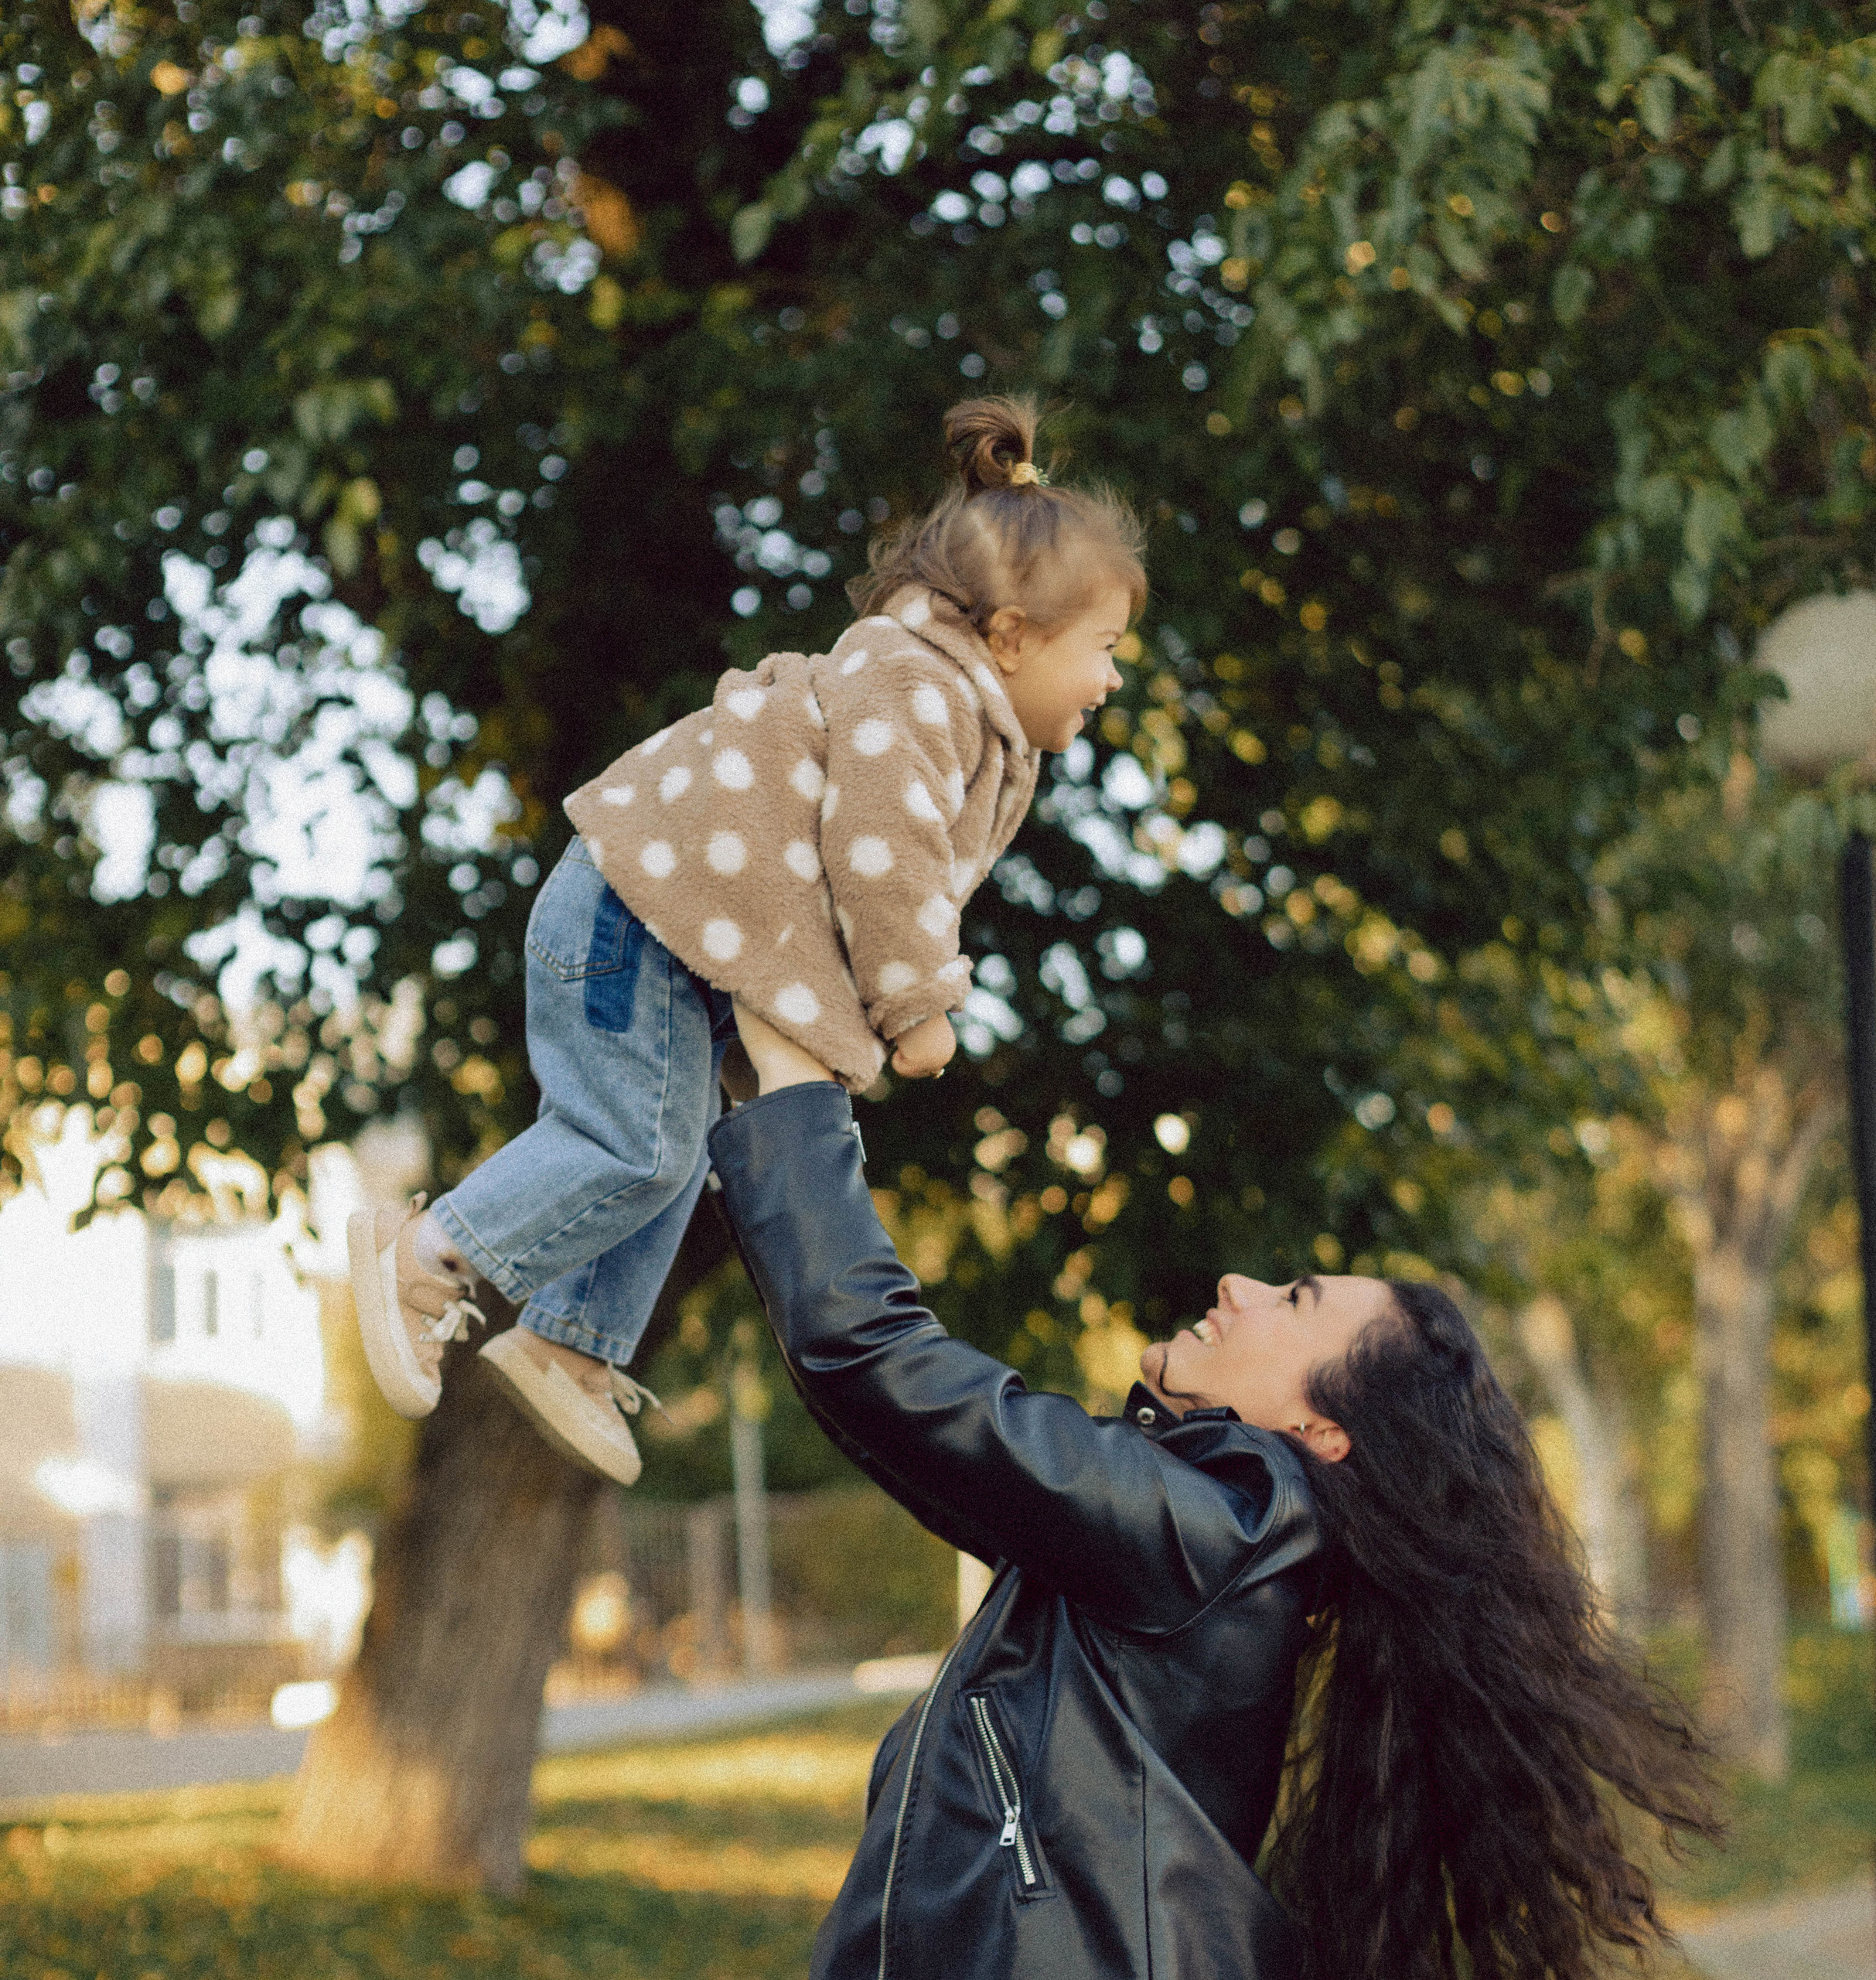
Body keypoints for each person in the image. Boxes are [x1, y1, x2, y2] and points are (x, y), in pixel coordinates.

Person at [712, 1002, 1721, 1980]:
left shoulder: (1227, 1532)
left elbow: (880, 1362)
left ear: (1325, 1430)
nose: (1241, 1286)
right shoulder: (1223, 1549)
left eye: (1295, 1302)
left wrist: (795, 1101)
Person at [345, 397, 1144, 1484]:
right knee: (634, 1142)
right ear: (1011, 639)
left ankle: (570, 1347)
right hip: (629, 915)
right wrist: (916, 1006)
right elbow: (882, 852)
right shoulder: (917, 693)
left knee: (672, 1156)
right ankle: (428, 1255)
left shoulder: (965, 716)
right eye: (1103, 648)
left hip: (664, 939)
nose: (1113, 676)